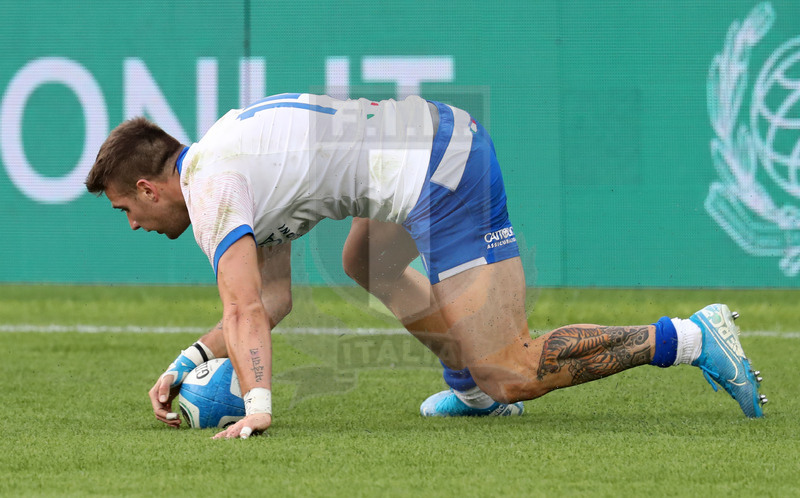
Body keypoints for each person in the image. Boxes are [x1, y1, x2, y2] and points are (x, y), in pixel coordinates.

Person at [85, 93, 766, 439]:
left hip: (441, 166)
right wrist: (188, 361)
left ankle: (693, 336)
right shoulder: (224, 167)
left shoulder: (211, 185)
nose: (134, 224)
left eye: (125, 209)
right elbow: (272, 298)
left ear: (149, 187)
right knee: (367, 258)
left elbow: (247, 310)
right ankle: (469, 391)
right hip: (422, 141)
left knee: (514, 371)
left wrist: (257, 407)